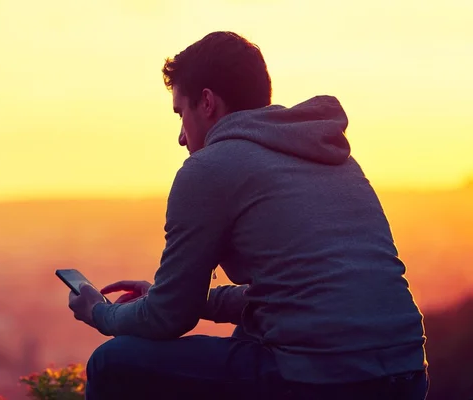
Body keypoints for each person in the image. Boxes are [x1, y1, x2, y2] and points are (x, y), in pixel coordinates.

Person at [67, 31, 429, 400]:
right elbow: (296, 296)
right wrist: (187, 298)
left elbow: (169, 319)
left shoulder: (208, 168)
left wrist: (100, 313)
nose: (180, 136)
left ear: (207, 102)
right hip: (407, 376)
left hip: (319, 380)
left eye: (181, 113)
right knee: (250, 337)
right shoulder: (334, 157)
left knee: (111, 363)